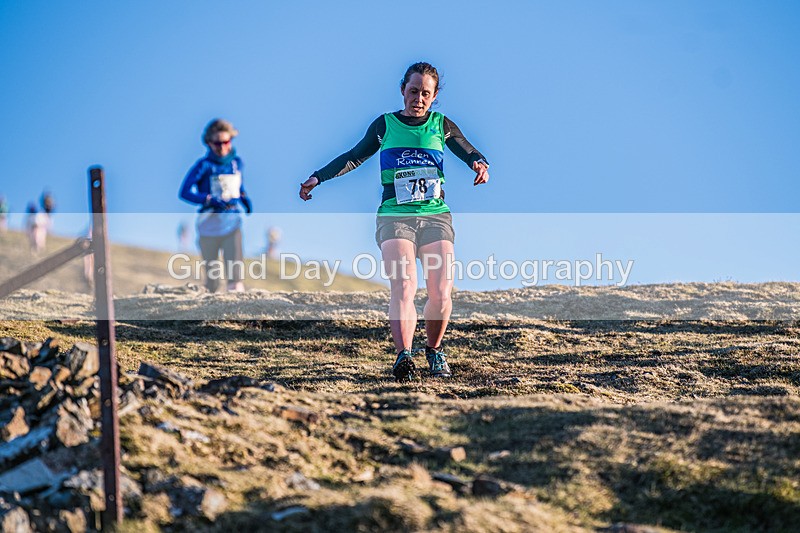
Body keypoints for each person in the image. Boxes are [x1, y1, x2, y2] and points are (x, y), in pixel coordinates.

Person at [299, 62, 490, 381]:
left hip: (435, 215)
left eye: (426, 93)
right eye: (413, 91)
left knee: (441, 291)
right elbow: (353, 156)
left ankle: (434, 350)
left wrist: (479, 164)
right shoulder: (385, 125)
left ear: (434, 96)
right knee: (404, 284)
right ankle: (404, 356)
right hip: (395, 216)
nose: (418, 98)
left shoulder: (441, 124)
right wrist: (318, 177)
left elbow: (468, 150)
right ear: (403, 90)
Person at [179, 119, 253, 292]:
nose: (222, 147)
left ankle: (236, 299)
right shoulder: (203, 166)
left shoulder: (237, 163)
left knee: (234, 270)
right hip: (209, 224)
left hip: (232, 221)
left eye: (226, 142)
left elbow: (238, 186)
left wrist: (244, 198)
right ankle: (210, 301)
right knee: (212, 277)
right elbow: (184, 192)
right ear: (209, 143)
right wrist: (207, 199)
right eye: (217, 143)